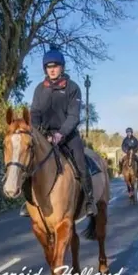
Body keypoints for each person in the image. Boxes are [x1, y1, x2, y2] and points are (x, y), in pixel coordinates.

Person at [27, 48, 97, 216]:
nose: (52, 69)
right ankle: (29, 202)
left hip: (68, 135)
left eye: (55, 66)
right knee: (28, 163)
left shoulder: (73, 88)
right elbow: (35, 113)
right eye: (48, 67)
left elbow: (74, 116)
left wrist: (61, 134)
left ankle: (89, 200)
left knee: (81, 163)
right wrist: (37, 133)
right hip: (45, 136)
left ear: (62, 68)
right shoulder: (39, 89)